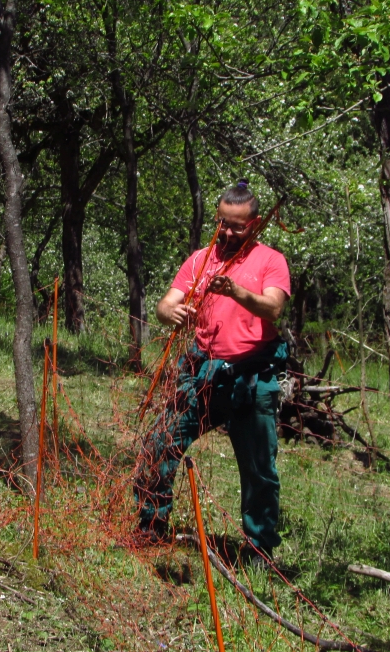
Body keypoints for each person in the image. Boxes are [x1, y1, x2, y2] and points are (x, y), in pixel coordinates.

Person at [133, 179, 291, 563]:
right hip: (201, 371)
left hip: (254, 374)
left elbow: (273, 309)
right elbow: (164, 305)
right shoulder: (201, 259)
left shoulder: (271, 260)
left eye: (237, 225)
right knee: (160, 443)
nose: (229, 232)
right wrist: (171, 312)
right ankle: (151, 528)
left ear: (254, 224)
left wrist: (235, 291)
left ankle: (259, 550)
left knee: (258, 470)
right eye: (223, 223)